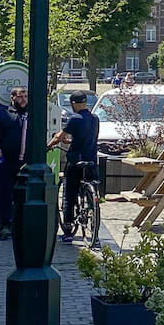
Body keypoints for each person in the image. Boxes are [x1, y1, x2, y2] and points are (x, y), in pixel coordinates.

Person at [50, 92, 99, 243]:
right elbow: (87, 138)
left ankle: (68, 229)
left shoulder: (74, 119)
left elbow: (59, 136)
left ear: (73, 104)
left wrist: (49, 145)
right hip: (91, 160)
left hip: (76, 161)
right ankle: (94, 228)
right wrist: (71, 140)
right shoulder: (94, 118)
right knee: (92, 192)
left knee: (69, 193)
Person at [0, 86, 30, 240]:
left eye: (25, 96)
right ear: (12, 98)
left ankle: (19, 224)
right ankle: (3, 225)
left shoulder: (32, 115)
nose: (23, 99)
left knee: (23, 194)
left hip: (25, 162)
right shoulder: (2, 114)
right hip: (5, 161)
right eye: (20, 96)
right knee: (4, 194)